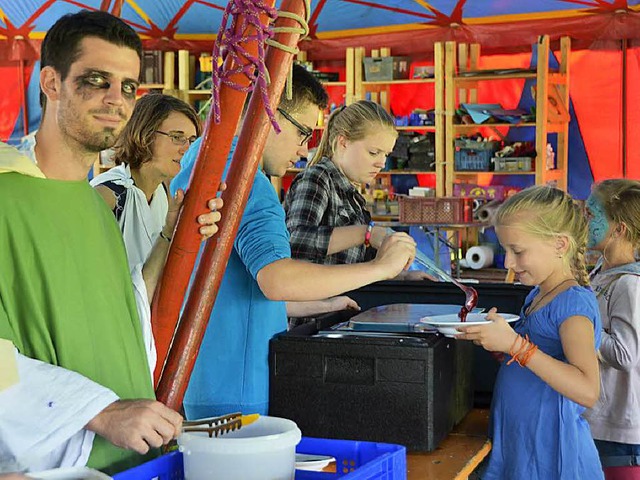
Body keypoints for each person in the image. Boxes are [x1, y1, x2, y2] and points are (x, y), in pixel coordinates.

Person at [0, 11, 216, 474]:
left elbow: (123, 311)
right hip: (57, 466)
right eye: (95, 80)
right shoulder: (5, 195)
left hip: (131, 459)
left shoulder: (95, 205)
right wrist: (99, 411)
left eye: (128, 87)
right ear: (51, 82)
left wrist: (172, 236)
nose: (115, 99)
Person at [172, 64, 417, 420]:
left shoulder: (201, 160)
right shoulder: (247, 181)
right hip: (241, 388)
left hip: (204, 376)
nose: (304, 151)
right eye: (303, 133)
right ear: (267, 111)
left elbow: (230, 286)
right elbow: (277, 279)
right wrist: (381, 267)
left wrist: (312, 304)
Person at [456, 185, 603, 479]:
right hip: (522, 448)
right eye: (505, 250)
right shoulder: (538, 294)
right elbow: (536, 364)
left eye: (518, 251)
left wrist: (516, 346)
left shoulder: (572, 304)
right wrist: (501, 346)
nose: (509, 263)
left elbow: (588, 390)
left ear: (560, 245)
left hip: (550, 456)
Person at [284, 100, 431, 281]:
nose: (382, 163)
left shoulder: (353, 198)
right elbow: (294, 241)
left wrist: (401, 277)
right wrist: (366, 233)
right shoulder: (317, 179)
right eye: (373, 152)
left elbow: (360, 267)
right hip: (314, 306)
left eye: (385, 154)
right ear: (343, 142)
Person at [90, 93, 212, 302]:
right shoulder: (108, 195)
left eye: (192, 141)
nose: (187, 148)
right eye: (177, 137)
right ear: (144, 134)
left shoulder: (165, 195)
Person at [583, 180, 640, 468]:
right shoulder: (601, 272)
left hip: (618, 429)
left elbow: (624, 354)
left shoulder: (629, 285)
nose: (585, 221)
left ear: (619, 229)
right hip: (595, 417)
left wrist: (578, 328)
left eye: (592, 215)